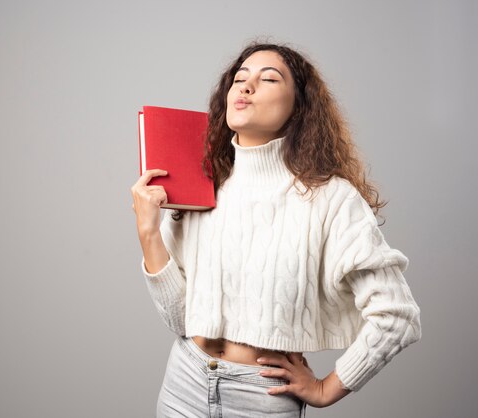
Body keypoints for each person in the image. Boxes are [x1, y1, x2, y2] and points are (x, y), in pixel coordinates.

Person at [130, 41, 422, 417]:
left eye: (268, 78)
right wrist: (148, 232)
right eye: (239, 78)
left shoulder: (330, 198)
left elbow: (398, 316)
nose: (246, 86)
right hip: (184, 382)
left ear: (298, 106)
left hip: (261, 398)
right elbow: (180, 320)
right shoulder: (204, 182)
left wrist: (326, 388)